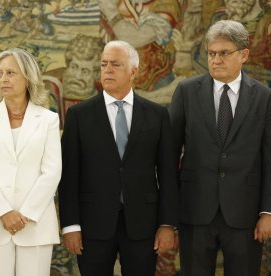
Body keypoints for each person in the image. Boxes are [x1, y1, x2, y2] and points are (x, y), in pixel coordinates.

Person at [58, 40, 179, 275]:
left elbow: (167, 174)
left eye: (115, 64)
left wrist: (166, 224)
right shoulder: (79, 115)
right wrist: (70, 225)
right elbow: (69, 176)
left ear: (134, 71)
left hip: (143, 225)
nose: (107, 69)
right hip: (93, 224)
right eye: (104, 64)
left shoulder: (157, 115)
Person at [169, 20, 271, 276]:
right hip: (195, 212)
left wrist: (267, 211)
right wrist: (168, 217)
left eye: (224, 53)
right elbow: (168, 155)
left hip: (245, 216)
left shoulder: (263, 96)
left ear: (243, 55)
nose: (216, 60)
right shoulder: (187, 92)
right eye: (212, 53)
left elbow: (270, 158)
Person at [0, 48, 62, 276]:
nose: (3, 79)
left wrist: (25, 214)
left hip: (34, 222)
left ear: (28, 77)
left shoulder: (48, 119)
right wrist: (4, 212)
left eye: (10, 73)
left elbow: (52, 171)